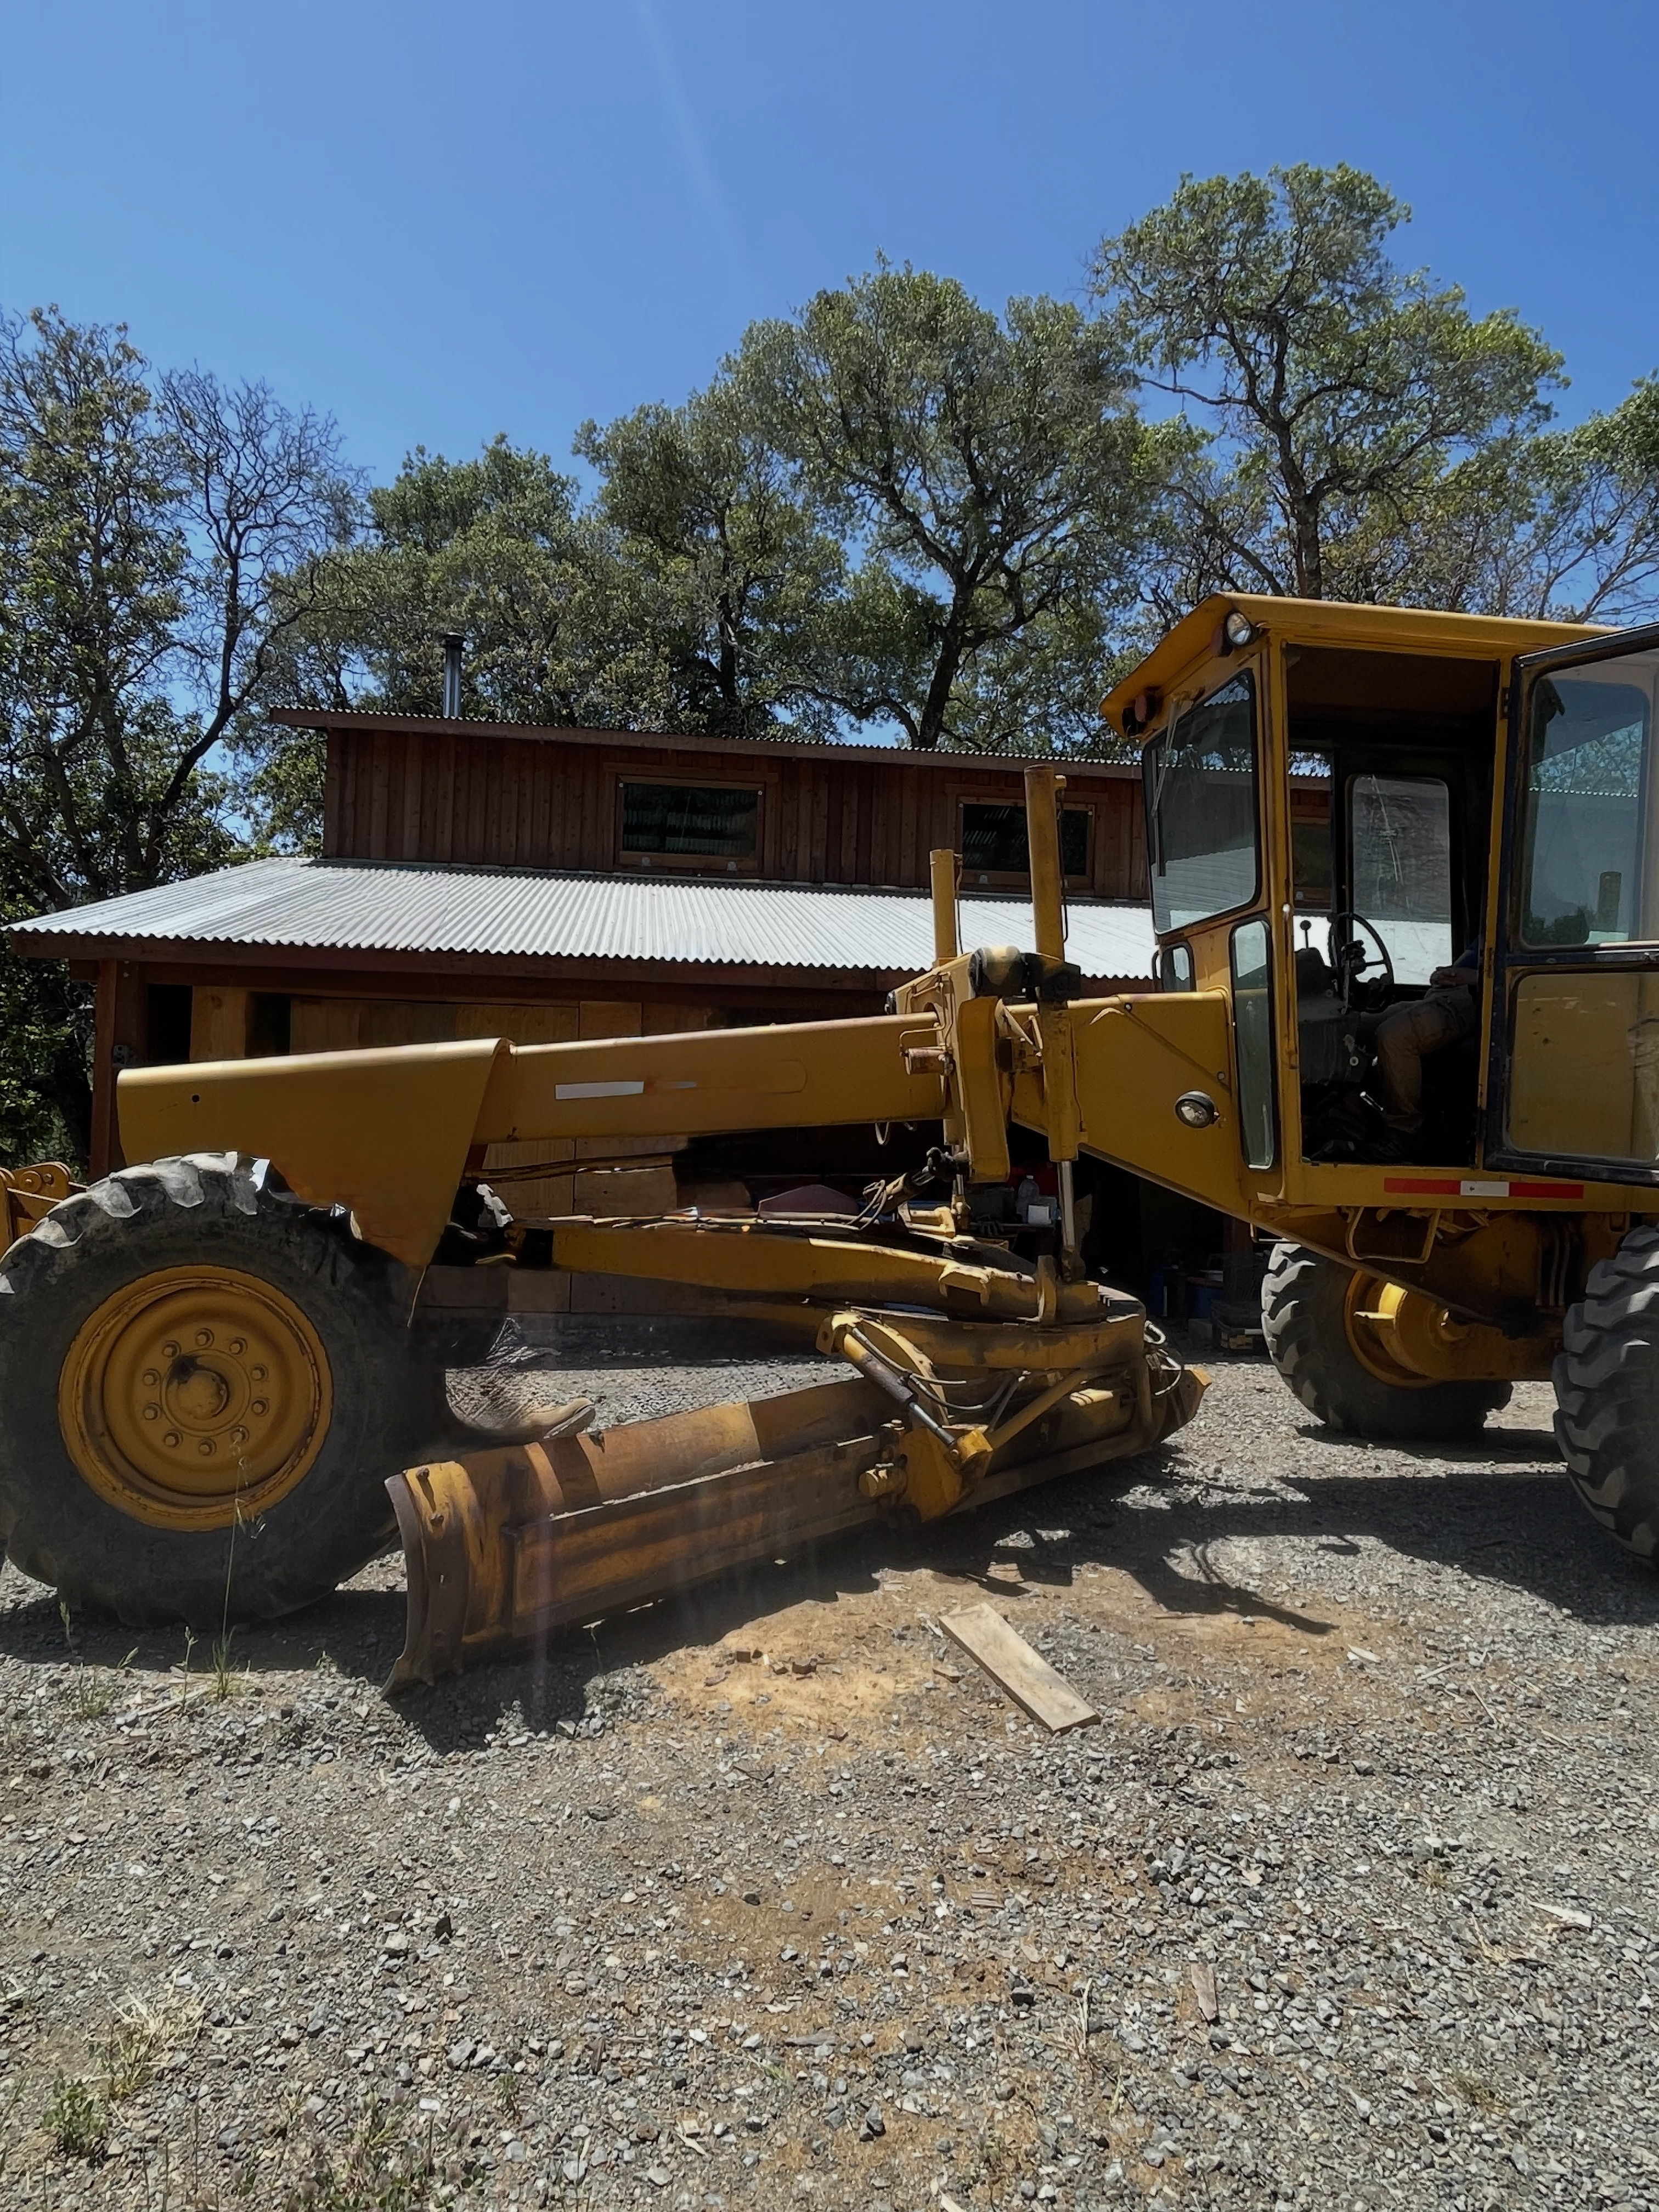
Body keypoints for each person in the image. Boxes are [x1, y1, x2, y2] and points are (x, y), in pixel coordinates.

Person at [1373, 945, 1481, 1134]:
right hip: (1441, 995)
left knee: (1394, 1037)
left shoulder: (1517, 928)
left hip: (1471, 1001)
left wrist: (1475, 977)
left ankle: (1404, 1130)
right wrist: (1444, 975)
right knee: (1362, 1024)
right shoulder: (1483, 935)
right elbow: (1463, 964)